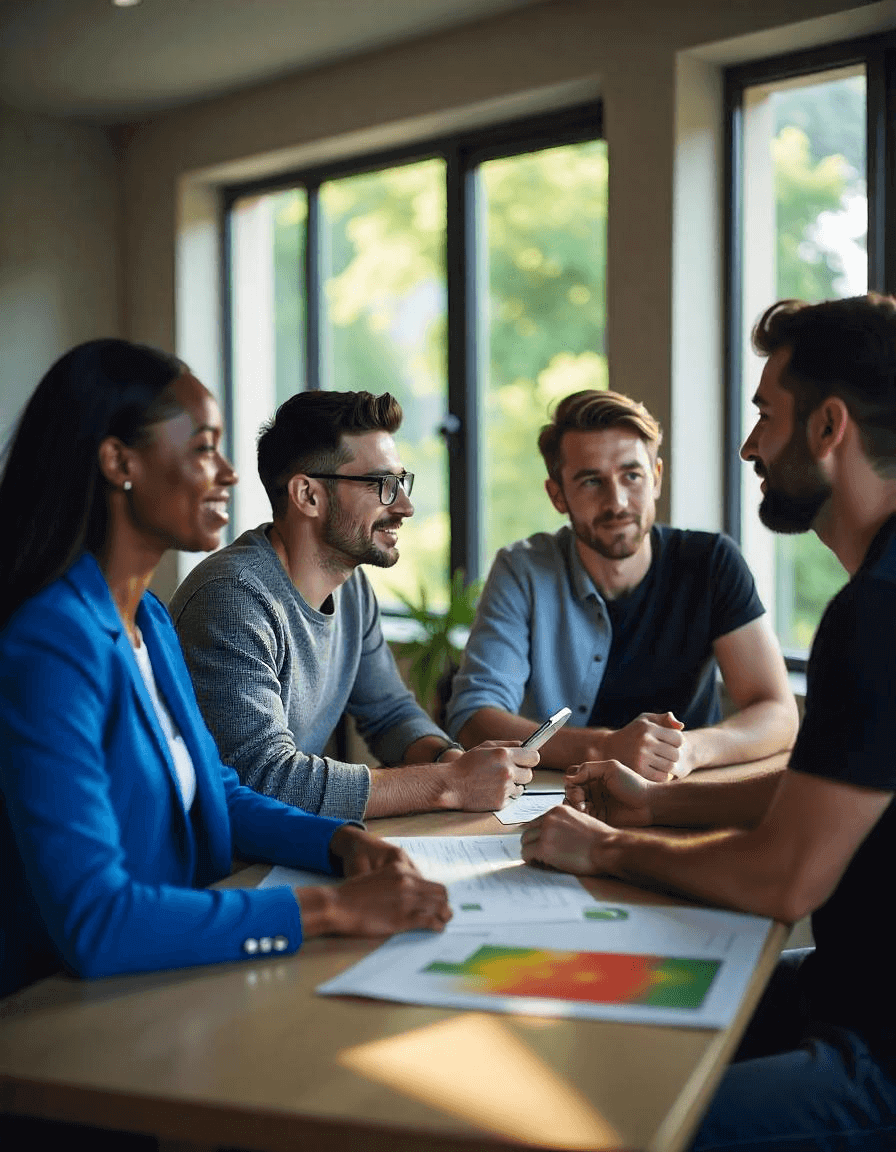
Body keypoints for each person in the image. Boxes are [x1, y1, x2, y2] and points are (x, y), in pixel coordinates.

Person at [522, 294, 896, 1150]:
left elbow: (783, 879)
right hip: (852, 986)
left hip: (880, 1050)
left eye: (766, 414)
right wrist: (656, 806)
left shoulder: (877, 611)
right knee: (610, 1020)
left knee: (605, 1123)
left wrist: (606, 847)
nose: (749, 444)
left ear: (829, 426)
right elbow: (821, 790)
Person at [0, 340, 452, 1003]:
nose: (232, 473)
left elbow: (217, 789)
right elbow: (98, 922)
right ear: (119, 461)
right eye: (204, 448)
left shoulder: (147, 620)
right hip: (64, 1011)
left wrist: (341, 847)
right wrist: (329, 910)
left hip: (182, 972)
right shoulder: (49, 648)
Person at [170, 389, 536, 822]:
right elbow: (264, 778)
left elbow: (389, 714)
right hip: (223, 865)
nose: (405, 506)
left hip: (288, 843)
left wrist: (450, 760)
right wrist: (449, 785)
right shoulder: (232, 599)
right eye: (382, 484)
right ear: (308, 496)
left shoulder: (352, 589)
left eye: (402, 482)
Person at [446, 389, 798, 779]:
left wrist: (689, 750)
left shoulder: (712, 562)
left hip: (682, 797)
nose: (617, 502)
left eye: (632, 476)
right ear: (557, 495)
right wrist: (605, 747)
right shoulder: (523, 570)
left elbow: (778, 714)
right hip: (560, 802)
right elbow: (474, 718)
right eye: (591, 482)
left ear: (657, 478)